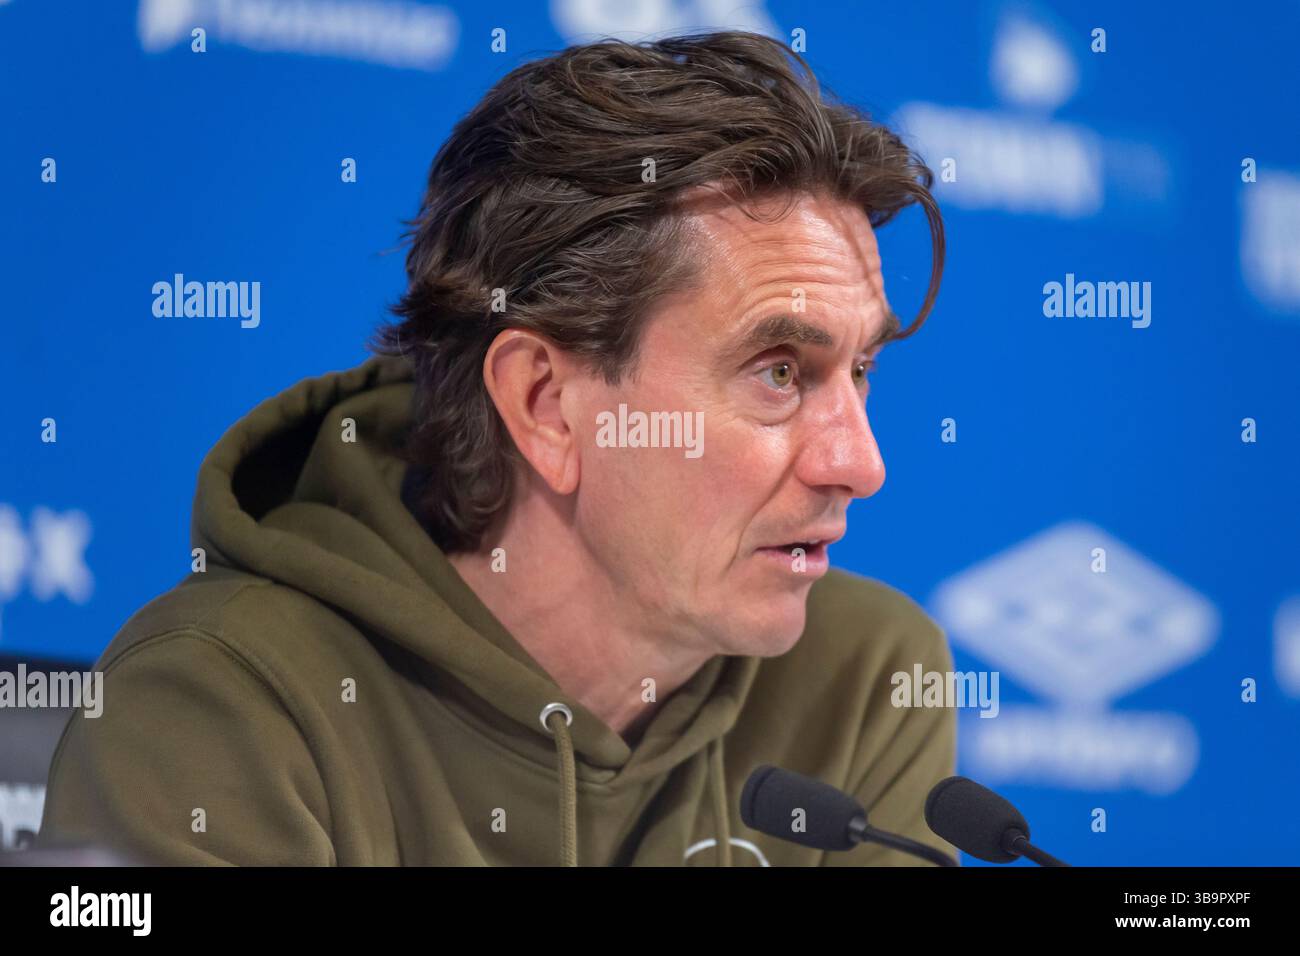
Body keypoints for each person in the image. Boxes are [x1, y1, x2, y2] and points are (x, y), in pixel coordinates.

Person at [38, 30, 955, 866]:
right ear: (545, 404)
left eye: (862, 369)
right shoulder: (220, 707)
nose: (860, 464)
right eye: (781, 373)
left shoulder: (863, 677)